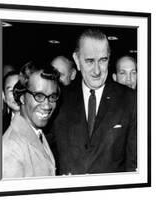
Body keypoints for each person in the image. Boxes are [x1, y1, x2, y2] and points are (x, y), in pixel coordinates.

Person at [49, 28, 137, 175]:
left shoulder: (130, 100)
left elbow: (133, 163)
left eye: (103, 60)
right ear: (77, 60)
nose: (97, 70)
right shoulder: (59, 99)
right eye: (89, 61)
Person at [2, 61, 60, 178]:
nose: (47, 106)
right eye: (39, 96)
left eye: (52, 97)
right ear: (22, 97)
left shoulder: (36, 132)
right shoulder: (11, 148)